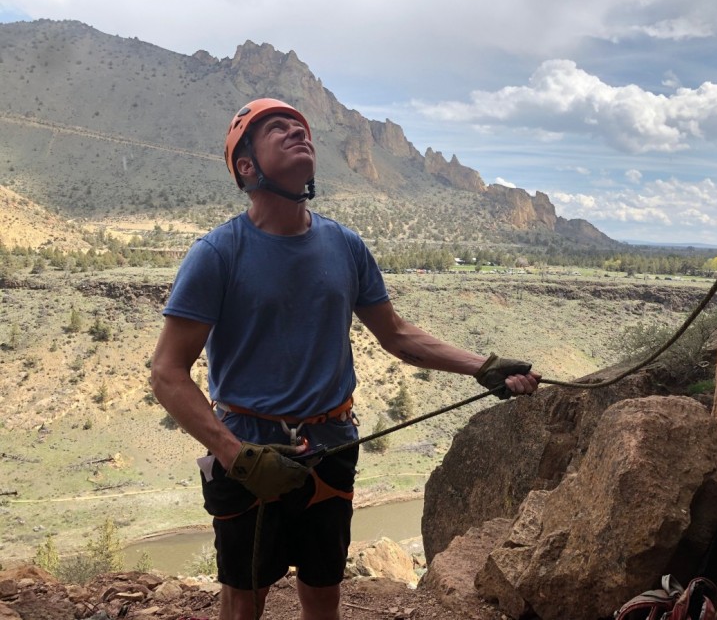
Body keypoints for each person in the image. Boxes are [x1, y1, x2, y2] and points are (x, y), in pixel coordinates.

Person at [150, 98, 540, 620]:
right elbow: (167, 372)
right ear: (247, 166)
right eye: (277, 129)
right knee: (243, 600)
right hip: (247, 447)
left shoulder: (345, 245)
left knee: (323, 589)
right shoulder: (217, 254)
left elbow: (397, 335)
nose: (297, 132)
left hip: (329, 444)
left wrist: (484, 367)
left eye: (300, 126)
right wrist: (234, 453)